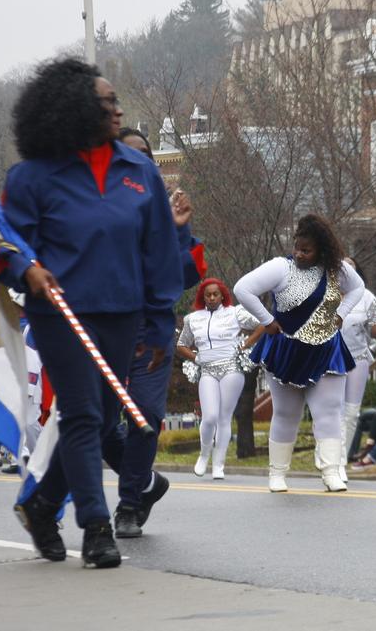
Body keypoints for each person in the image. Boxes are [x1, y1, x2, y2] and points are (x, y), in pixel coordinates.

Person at [0, 58, 183, 568]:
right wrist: (25, 268)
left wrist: (160, 322)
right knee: (82, 413)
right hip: (61, 316)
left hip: (124, 314)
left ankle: (41, 503)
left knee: (100, 426)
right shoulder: (31, 177)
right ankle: (95, 527)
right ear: (75, 108)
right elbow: (2, 249)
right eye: (107, 103)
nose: (118, 110)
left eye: (117, 102)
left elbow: (159, 254)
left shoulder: (139, 171)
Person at [111, 127, 208, 540]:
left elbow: (185, 275)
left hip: (152, 333)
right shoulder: (95, 208)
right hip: (105, 329)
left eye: (146, 156)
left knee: (145, 417)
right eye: (129, 154)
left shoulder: (164, 216)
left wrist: (179, 231)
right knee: (95, 423)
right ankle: (147, 483)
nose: (140, 162)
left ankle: (130, 503)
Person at [233, 214, 364, 493]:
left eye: (307, 250)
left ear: (323, 250)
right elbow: (242, 289)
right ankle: (277, 473)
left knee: (329, 411)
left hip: (327, 348)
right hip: (286, 349)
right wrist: (267, 320)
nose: (299, 254)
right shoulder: (281, 267)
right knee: (286, 413)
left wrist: (341, 314)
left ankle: (331, 471)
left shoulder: (337, 268)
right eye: (297, 248)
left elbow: (358, 288)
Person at [175, 278, 259, 482]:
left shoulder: (235, 312)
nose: (212, 298)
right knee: (209, 416)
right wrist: (196, 357)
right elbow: (181, 344)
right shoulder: (193, 319)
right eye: (208, 294)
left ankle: (219, 464)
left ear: (223, 295)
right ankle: (204, 454)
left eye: (216, 294)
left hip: (232, 368)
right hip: (207, 371)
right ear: (202, 297)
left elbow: (262, 324)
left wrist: (246, 344)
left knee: (224, 417)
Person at [338, 257, 376, 482]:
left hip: (357, 358)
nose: (346, 270)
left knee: (351, 413)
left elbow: (374, 331)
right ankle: (326, 454)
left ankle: (340, 463)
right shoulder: (324, 295)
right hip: (329, 359)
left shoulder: (367, 298)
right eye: (341, 267)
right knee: (329, 411)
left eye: (350, 266)